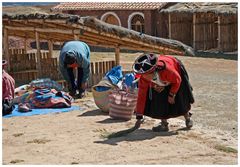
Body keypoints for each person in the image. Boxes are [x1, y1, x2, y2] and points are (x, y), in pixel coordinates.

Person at [133, 53, 194, 132]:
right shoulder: (144, 78)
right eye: (143, 75)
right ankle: (164, 124)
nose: (144, 77)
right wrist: (139, 116)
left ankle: (188, 118)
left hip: (176, 74)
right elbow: (141, 96)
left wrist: (171, 95)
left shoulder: (167, 70)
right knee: (158, 99)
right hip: (163, 79)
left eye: (146, 75)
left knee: (180, 98)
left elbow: (177, 80)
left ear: (153, 71)